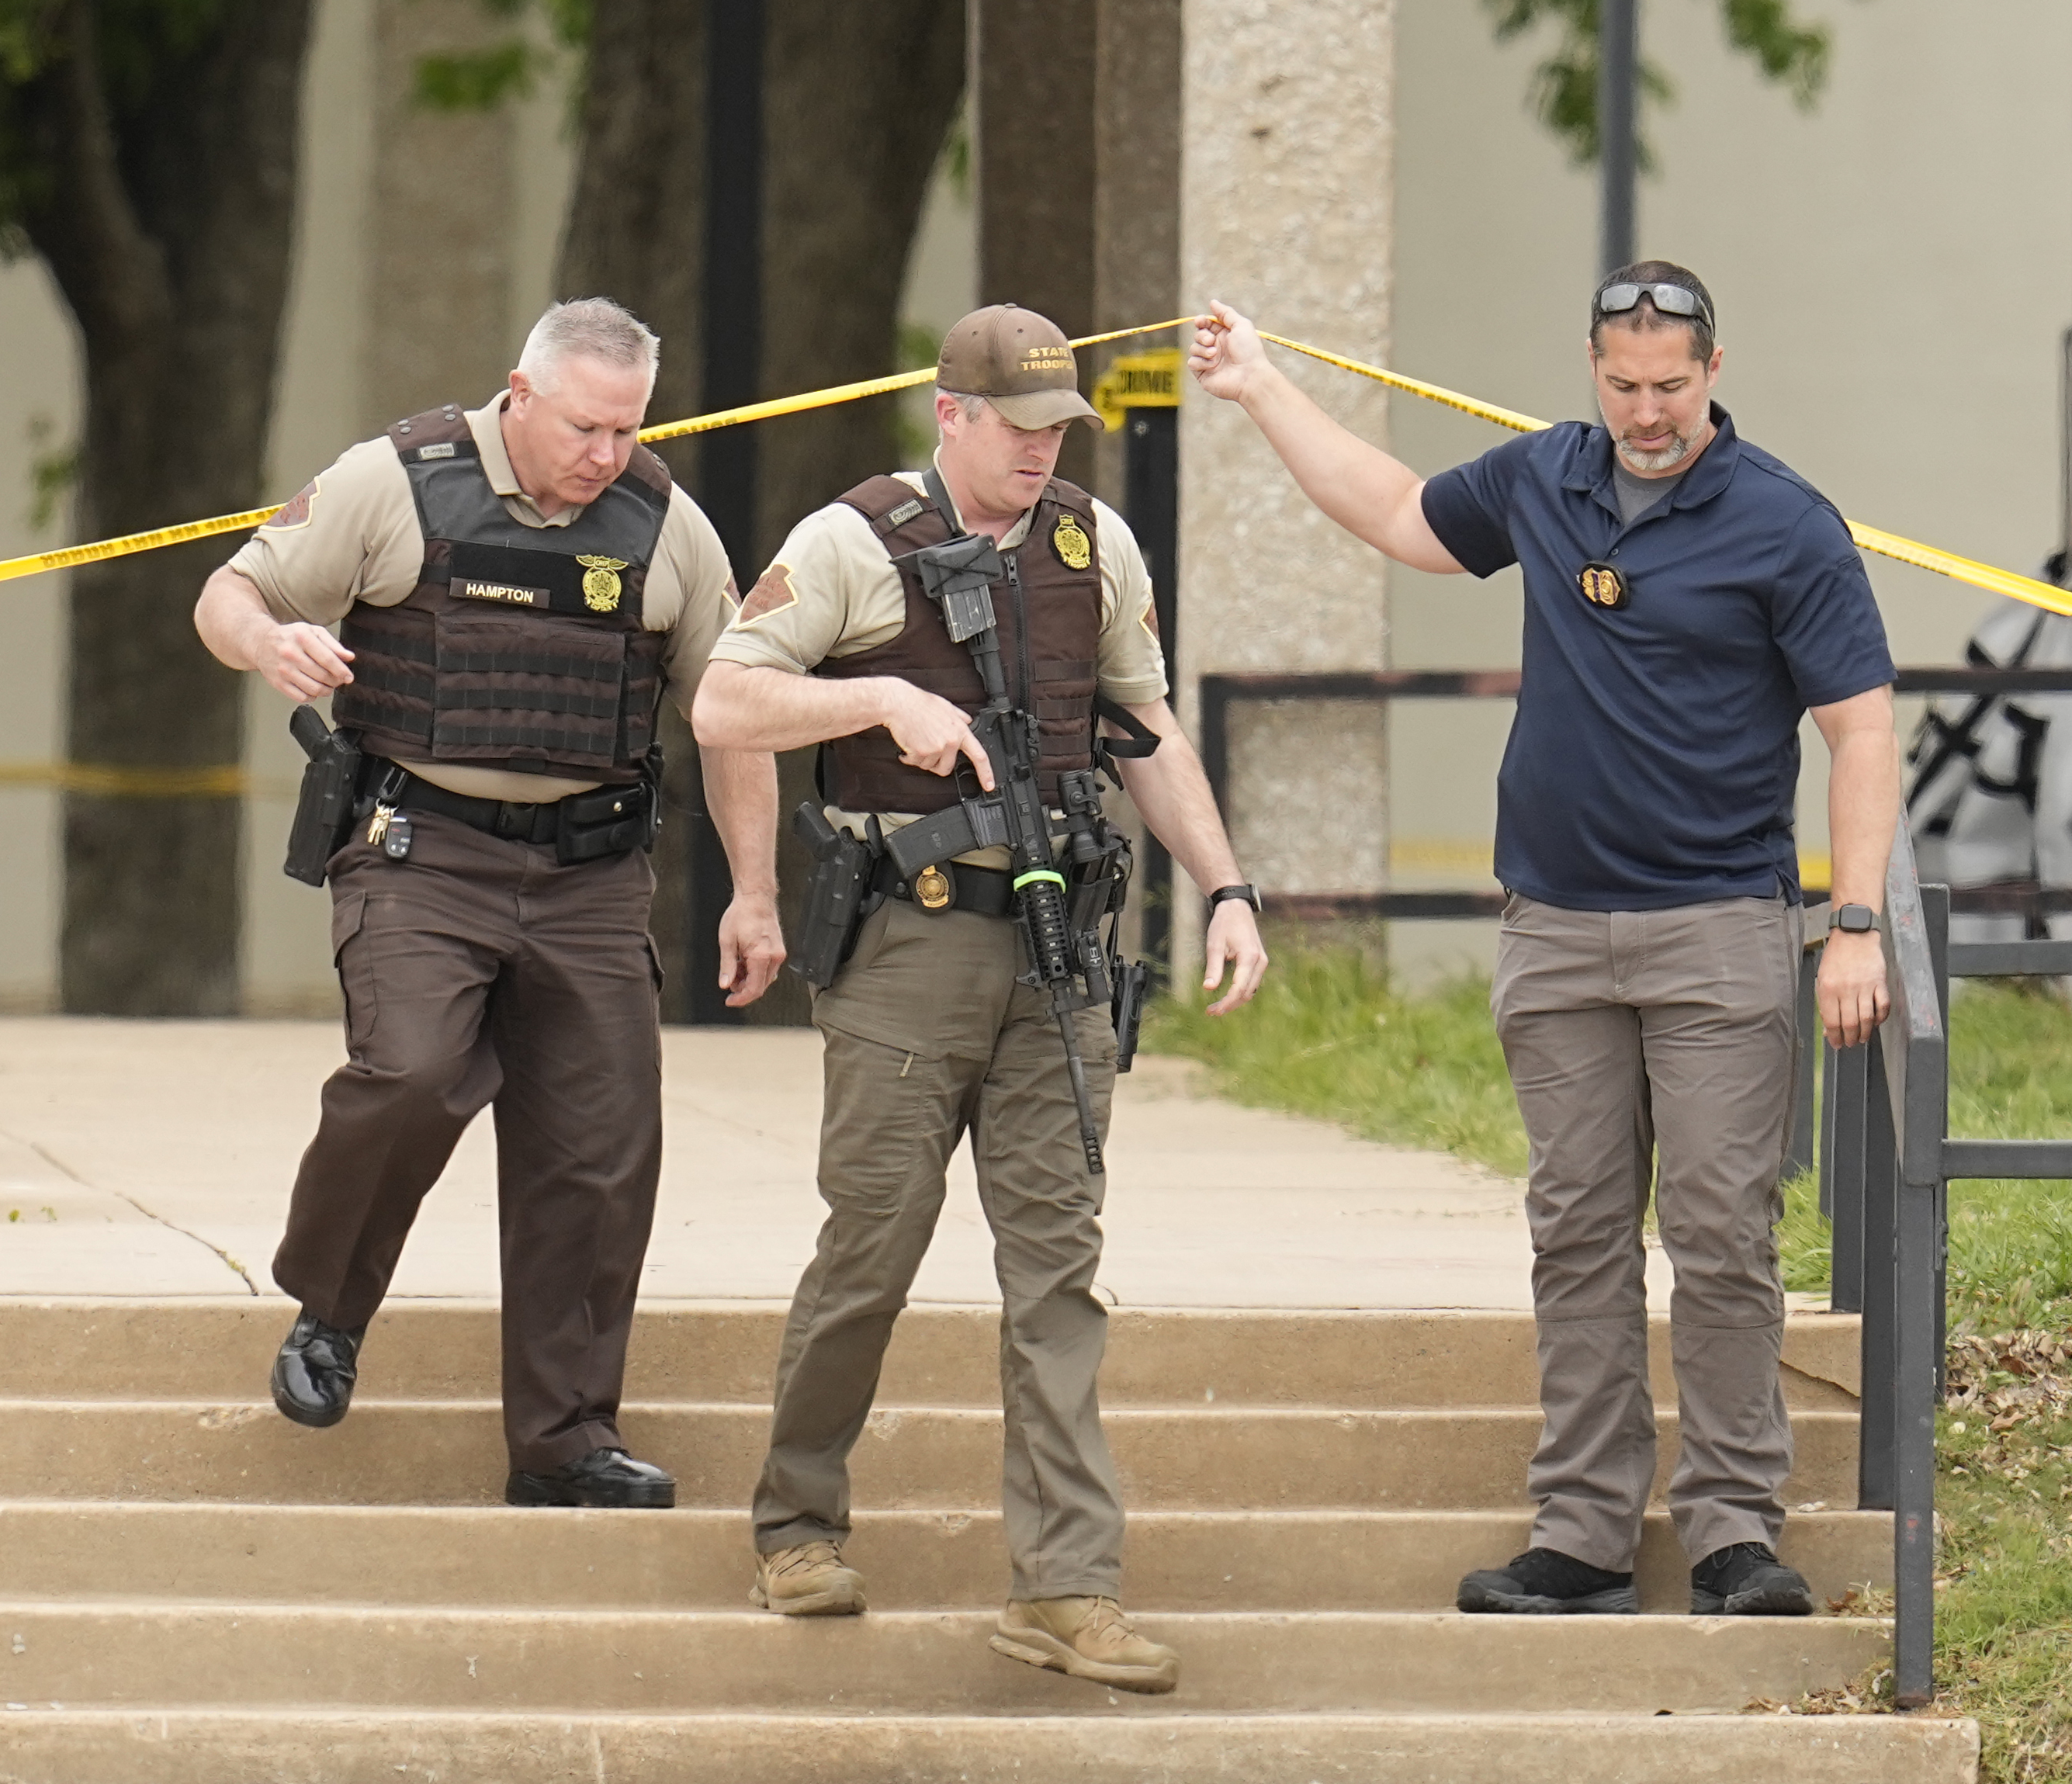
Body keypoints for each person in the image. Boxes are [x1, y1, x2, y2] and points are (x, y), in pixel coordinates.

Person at [1188, 263, 1898, 1619]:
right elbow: (1395, 514)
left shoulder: (1783, 523)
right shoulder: (1542, 479)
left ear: (1710, 369)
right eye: (1621, 384)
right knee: (1572, 1229)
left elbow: (1859, 727)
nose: (1643, 411)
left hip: (1715, 927)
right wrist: (1261, 386)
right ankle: (1577, 1531)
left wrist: (1850, 922)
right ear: (1589, 366)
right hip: (1555, 926)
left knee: (1718, 1231)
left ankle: (1733, 1531)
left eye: (1668, 386)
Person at [693, 304, 1268, 1693]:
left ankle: (1066, 1583)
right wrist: (876, 699)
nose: (1035, 451)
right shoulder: (852, 542)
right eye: (1012, 428)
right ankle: (795, 1520)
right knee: (871, 1248)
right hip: (909, 944)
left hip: (1056, 950)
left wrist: (1229, 884)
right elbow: (722, 702)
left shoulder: (1088, 540)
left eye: (1053, 428)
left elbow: (1144, 728)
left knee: (1056, 1270)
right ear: (947, 413)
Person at [194, 297, 782, 1510]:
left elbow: (732, 717)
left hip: (591, 872)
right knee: (411, 1071)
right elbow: (227, 595)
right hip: (422, 851)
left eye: (626, 429)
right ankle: (329, 1314)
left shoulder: (667, 525)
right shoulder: (394, 483)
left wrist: (756, 891)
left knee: (601, 1148)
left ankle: (566, 1440)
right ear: (519, 391)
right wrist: (268, 645)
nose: (605, 454)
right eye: (584, 425)